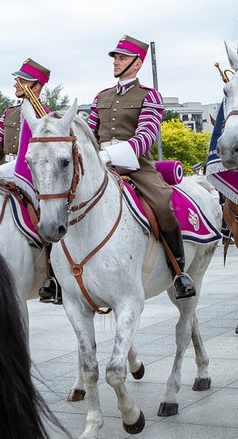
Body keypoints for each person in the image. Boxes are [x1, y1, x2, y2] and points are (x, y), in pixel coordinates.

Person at [86, 35, 196, 299]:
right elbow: (90, 132)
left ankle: (179, 272)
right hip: (100, 163)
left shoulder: (149, 95)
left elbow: (146, 135)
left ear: (137, 64)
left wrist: (110, 155)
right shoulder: (102, 96)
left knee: (162, 204)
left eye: (122, 58)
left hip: (135, 165)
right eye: (115, 57)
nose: (116, 62)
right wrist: (91, 156)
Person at [0, 59, 65, 304]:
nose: (16, 83)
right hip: (5, 170)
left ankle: (53, 277)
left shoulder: (46, 116)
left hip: (34, 173)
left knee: (46, 214)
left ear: (37, 86)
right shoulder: (9, 112)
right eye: (17, 79)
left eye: (22, 80)